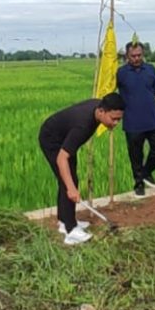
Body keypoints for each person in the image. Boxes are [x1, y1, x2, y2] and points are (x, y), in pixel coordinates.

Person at [37, 92, 126, 244]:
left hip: (64, 137)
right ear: (101, 111)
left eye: (119, 119)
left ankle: (64, 221)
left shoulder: (98, 108)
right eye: (114, 119)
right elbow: (61, 158)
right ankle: (71, 231)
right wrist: (71, 188)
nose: (116, 123)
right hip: (51, 138)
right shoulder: (83, 125)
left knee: (69, 179)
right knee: (68, 181)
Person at [116, 42, 155, 197]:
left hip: (153, 119)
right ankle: (139, 183)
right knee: (136, 155)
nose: (136, 58)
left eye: (139, 55)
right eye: (133, 56)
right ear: (127, 56)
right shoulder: (121, 73)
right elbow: (109, 92)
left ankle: (146, 173)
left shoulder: (151, 69)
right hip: (132, 122)